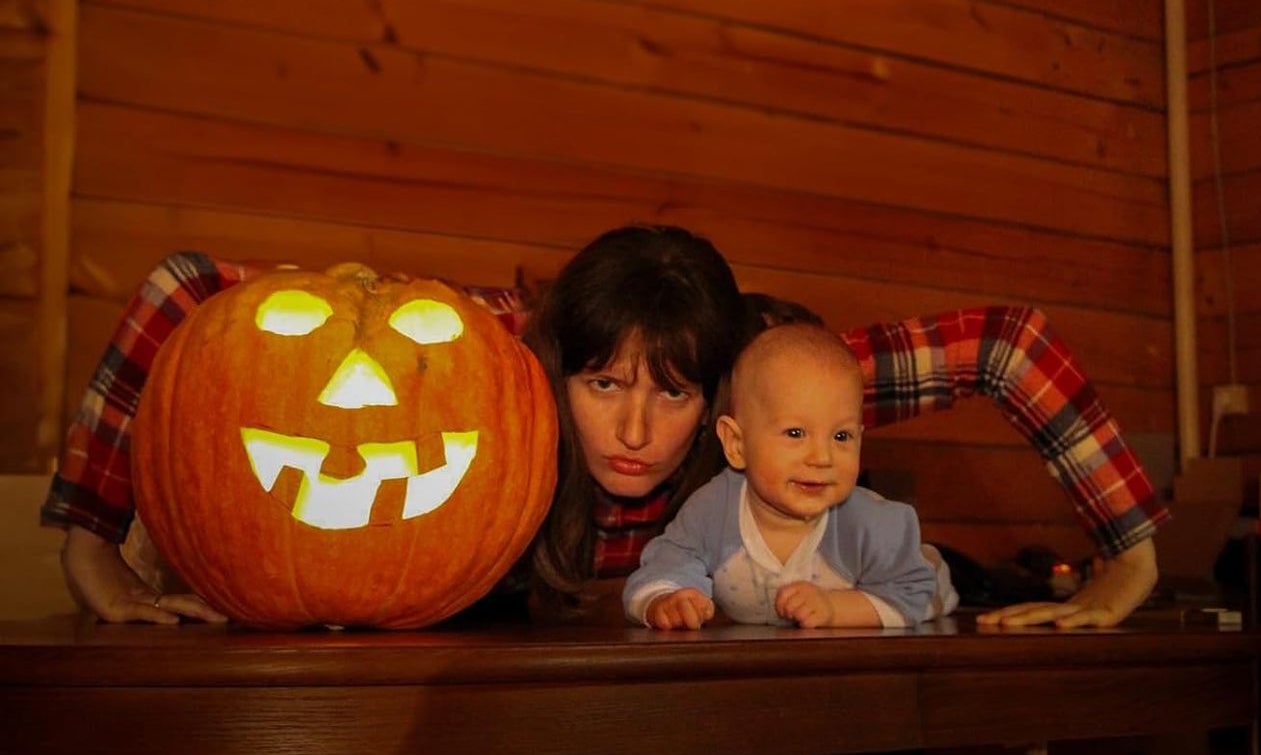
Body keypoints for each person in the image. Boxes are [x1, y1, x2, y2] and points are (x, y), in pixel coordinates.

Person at [42, 224, 1166, 629]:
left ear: (718, 407)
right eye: (601, 384)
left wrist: (1129, 561)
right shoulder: (483, 353)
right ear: (554, 362)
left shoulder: (758, 378)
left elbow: (1006, 343)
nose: (631, 426)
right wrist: (95, 551)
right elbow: (187, 289)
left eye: (670, 394)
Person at [624, 321, 956, 630]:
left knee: (923, 569)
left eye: (841, 437)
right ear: (737, 444)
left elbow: (914, 594)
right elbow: (666, 562)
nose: (822, 457)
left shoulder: (870, 523)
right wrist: (665, 599)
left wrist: (835, 608)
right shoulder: (714, 509)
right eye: (796, 433)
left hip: (920, 580)